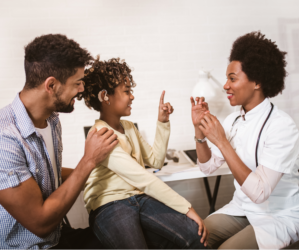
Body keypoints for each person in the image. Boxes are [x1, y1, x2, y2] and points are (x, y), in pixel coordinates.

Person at [0, 34, 119, 249]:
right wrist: (89, 160)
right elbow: (40, 222)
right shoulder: (4, 138)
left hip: (59, 236)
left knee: (129, 238)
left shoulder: (52, 120)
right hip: (31, 245)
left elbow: (46, 173)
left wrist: (106, 174)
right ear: (51, 85)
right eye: (77, 83)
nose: (82, 89)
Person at [82, 56, 208, 249]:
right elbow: (144, 179)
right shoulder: (101, 135)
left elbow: (156, 161)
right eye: (126, 92)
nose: (132, 96)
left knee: (194, 235)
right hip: (110, 205)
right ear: (105, 96)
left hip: (139, 197)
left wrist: (163, 122)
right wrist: (187, 208)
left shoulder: (129, 127)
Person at [191, 31, 299, 249]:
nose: (225, 86)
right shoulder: (233, 120)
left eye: (232, 79)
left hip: (278, 214)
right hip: (241, 209)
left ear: (257, 82)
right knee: (192, 237)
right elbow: (207, 167)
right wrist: (199, 130)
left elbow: (260, 193)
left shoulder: (282, 126)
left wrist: (222, 141)